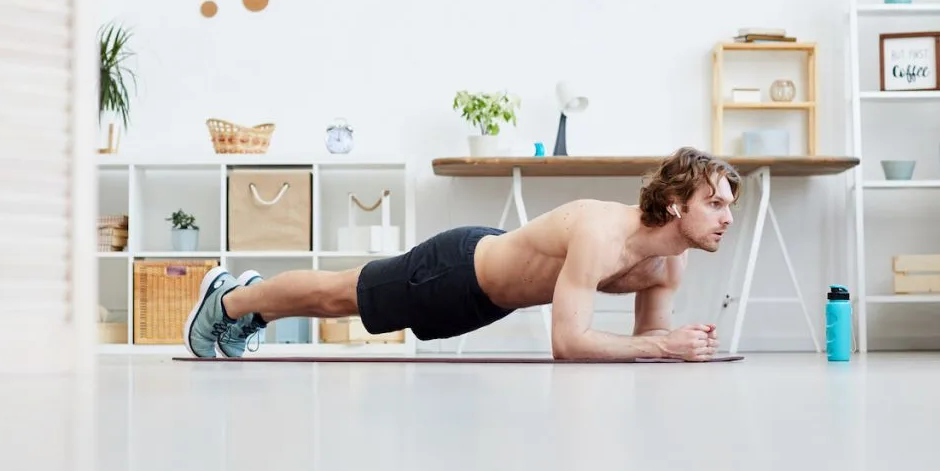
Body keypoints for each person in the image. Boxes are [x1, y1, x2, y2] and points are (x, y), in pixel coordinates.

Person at [183, 146, 741, 361]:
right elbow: (568, 343)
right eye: (714, 204)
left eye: (729, 206)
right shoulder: (602, 231)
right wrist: (662, 344)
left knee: (344, 303)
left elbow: (650, 350)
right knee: (337, 297)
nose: (727, 218)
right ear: (673, 204)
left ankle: (249, 306)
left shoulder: (670, 262)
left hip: (484, 302)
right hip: (456, 270)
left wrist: (675, 347)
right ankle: (231, 301)